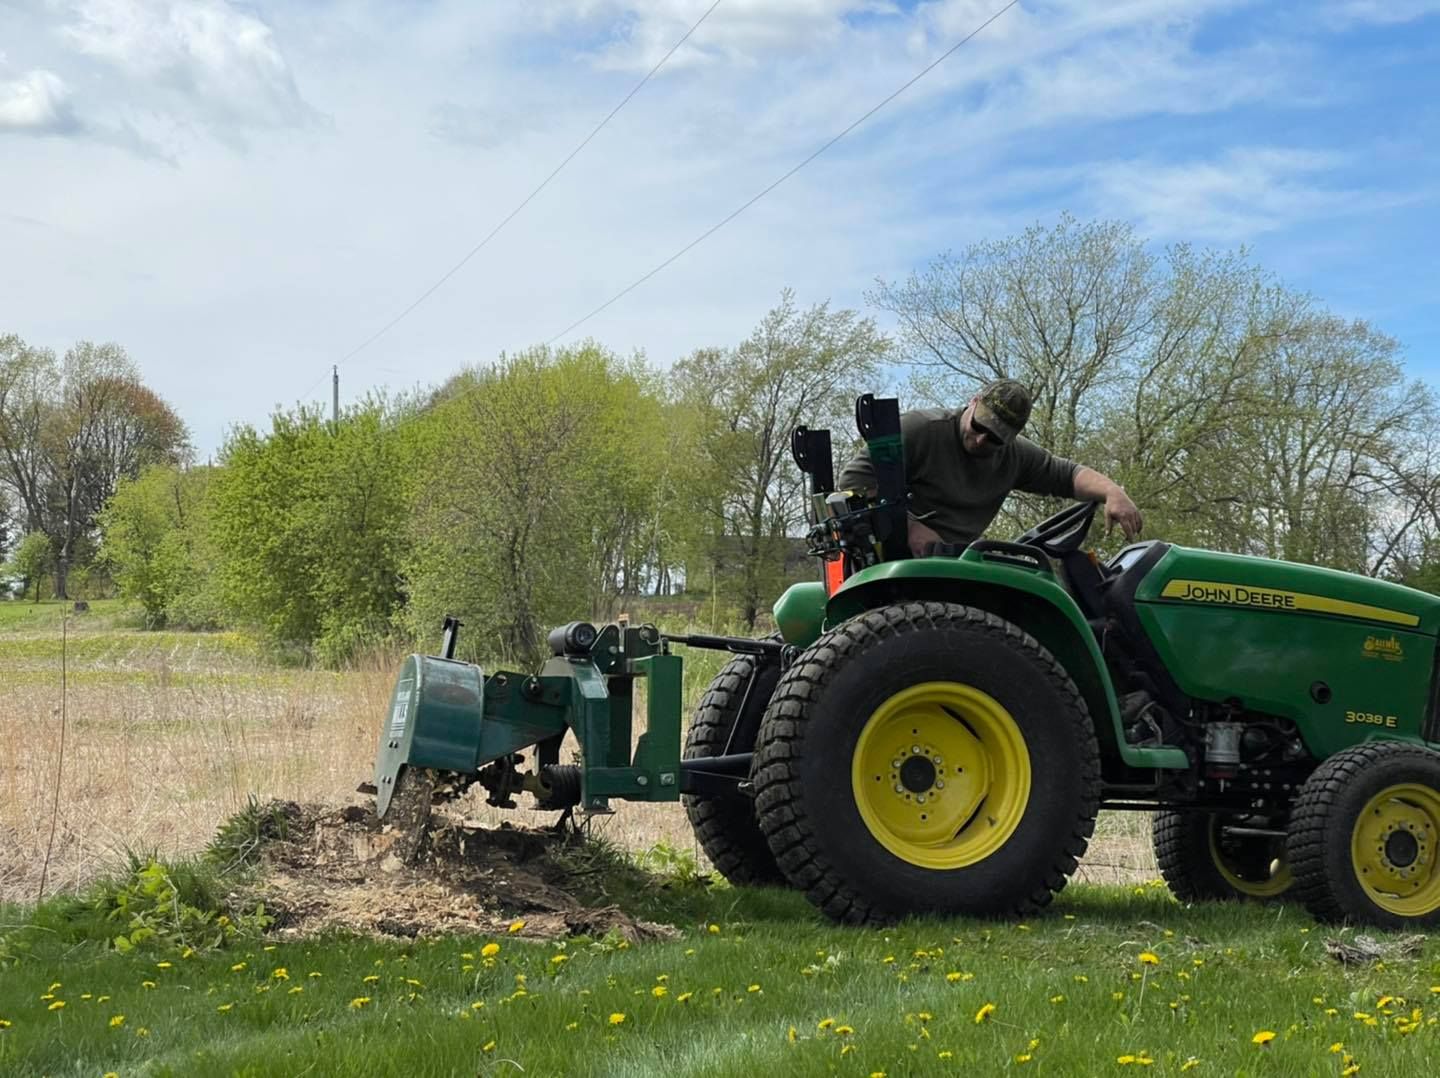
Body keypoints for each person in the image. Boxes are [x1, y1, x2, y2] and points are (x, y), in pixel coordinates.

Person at [836, 379, 1143, 557]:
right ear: (973, 401)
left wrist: (1112, 491)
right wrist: (910, 527)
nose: (982, 439)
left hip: (958, 562)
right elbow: (854, 482)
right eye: (979, 426)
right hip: (903, 560)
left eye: (995, 437)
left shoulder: (1014, 457)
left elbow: (1068, 474)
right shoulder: (921, 430)